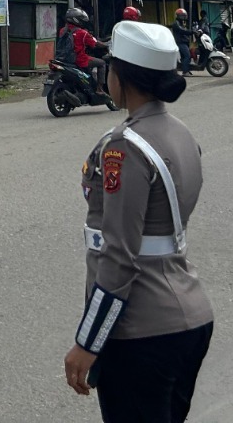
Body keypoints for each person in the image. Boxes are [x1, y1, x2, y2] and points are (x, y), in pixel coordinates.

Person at [65, 21, 214, 421]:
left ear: (122, 76)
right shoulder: (181, 133)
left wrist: (88, 342)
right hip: (190, 319)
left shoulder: (125, 147)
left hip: (143, 332)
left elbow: (119, 257)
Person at [58, 6, 107, 94]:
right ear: (76, 20)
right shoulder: (82, 33)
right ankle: (99, 88)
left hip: (63, 59)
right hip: (79, 59)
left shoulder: (62, 30)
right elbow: (95, 44)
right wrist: (106, 45)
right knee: (102, 63)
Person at [171, 8, 194, 78]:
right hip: (180, 43)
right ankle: (185, 71)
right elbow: (182, 31)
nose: (184, 17)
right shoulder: (176, 24)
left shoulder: (181, 23)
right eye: (182, 15)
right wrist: (192, 32)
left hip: (183, 42)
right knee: (187, 56)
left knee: (185, 57)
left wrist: (193, 31)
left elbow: (185, 30)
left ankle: (186, 69)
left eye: (184, 15)